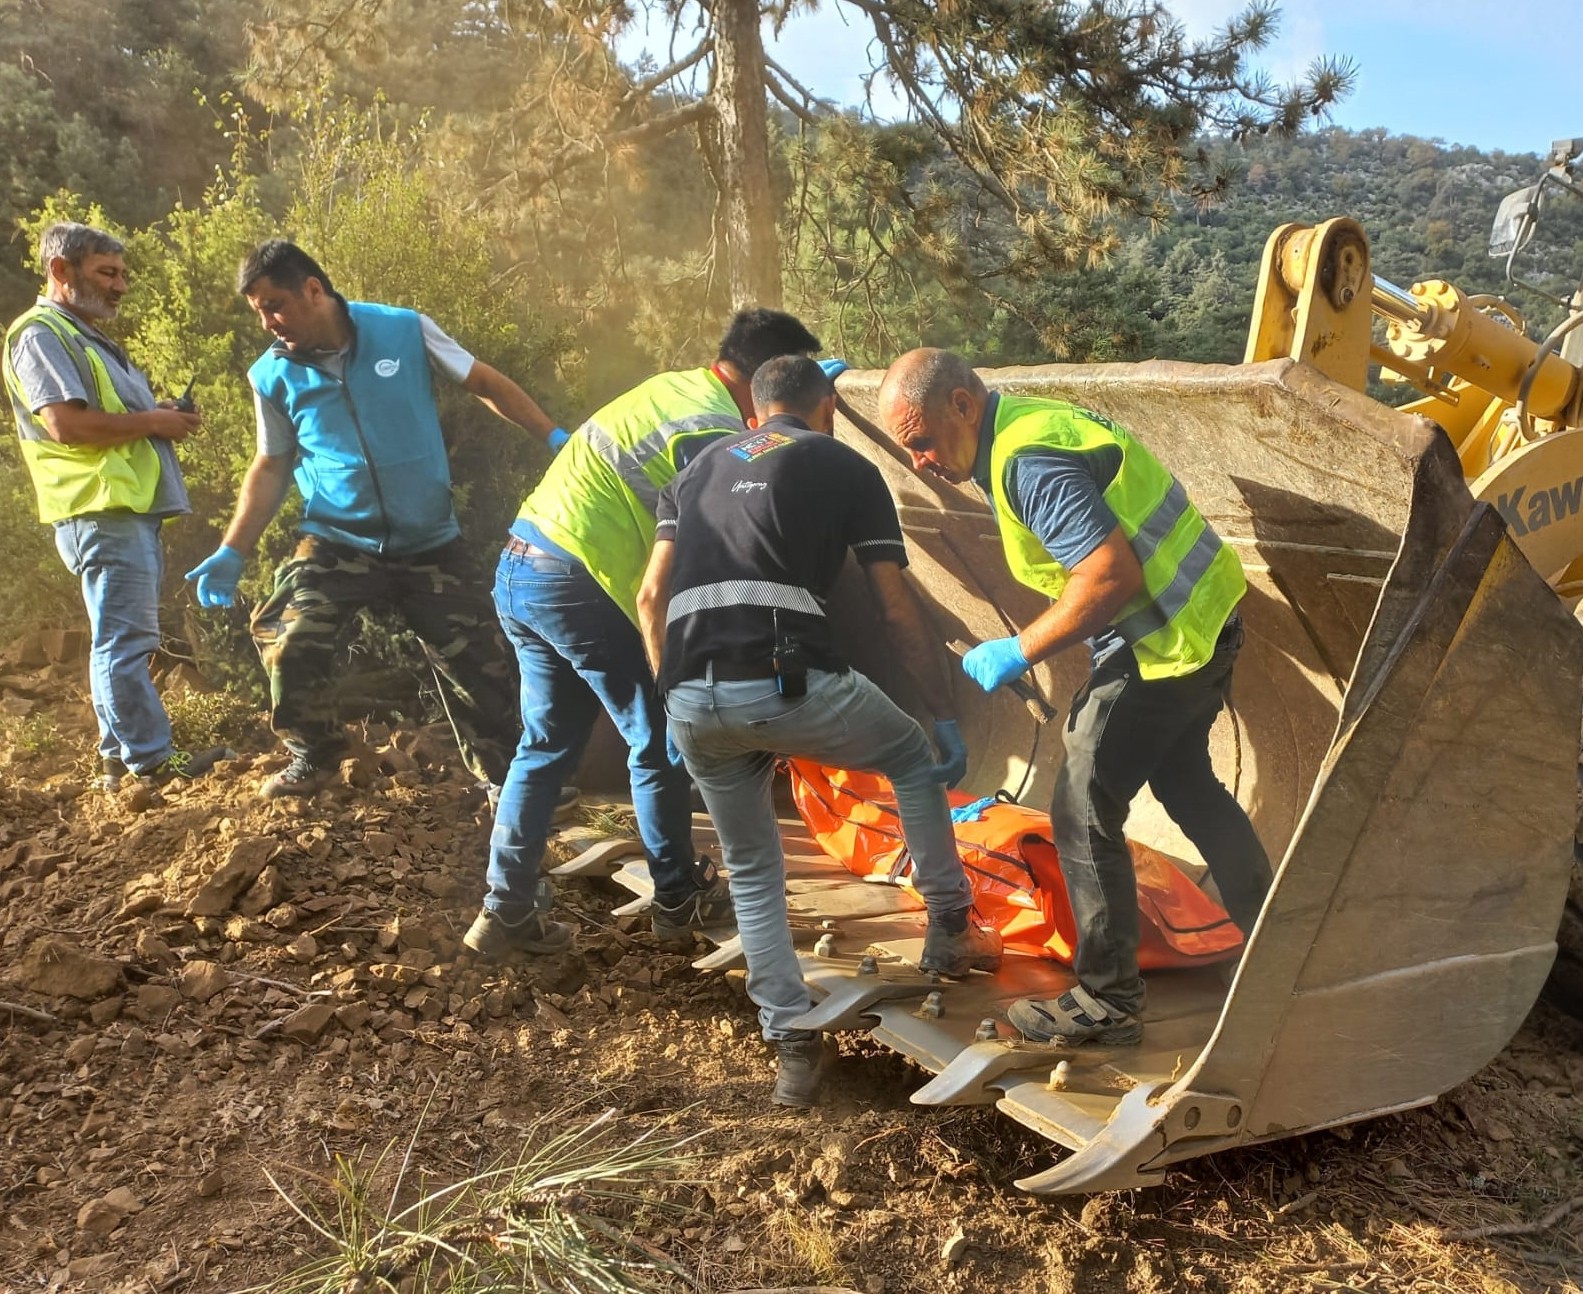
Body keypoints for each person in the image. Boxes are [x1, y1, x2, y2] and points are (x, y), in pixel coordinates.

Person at [877, 348, 1272, 1046]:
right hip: (1206, 619)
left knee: (1082, 805)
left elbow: (1106, 577)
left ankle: (1107, 1002)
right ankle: (1274, 949)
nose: (920, 462)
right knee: (1188, 786)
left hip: (1162, 643)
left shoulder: (1027, 462)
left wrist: (1018, 649)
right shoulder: (1032, 424)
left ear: (962, 406)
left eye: (924, 441)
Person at [640, 354, 1000, 1107]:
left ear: (754, 413)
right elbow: (895, 608)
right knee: (908, 755)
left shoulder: (698, 468)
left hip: (693, 699)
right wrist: (938, 714)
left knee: (752, 867)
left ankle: (791, 1046)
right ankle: (947, 929)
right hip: (786, 682)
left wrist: (674, 700)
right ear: (826, 405)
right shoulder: (842, 465)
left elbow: (650, 597)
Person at [465, 309, 823, 959]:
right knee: (657, 738)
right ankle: (678, 894)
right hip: (579, 582)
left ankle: (504, 910)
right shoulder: (712, 430)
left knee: (546, 745)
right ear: (766, 381)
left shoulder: (670, 389)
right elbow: (719, 556)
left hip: (521, 568)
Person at [185, 240, 565, 799]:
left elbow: (482, 381)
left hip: (429, 541)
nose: (269, 323)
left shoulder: (403, 329)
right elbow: (271, 465)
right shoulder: (272, 375)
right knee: (287, 636)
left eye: (276, 305)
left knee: (483, 666)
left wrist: (554, 437)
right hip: (338, 539)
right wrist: (233, 549)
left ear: (314, 289)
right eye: (259, 312)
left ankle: (512, 781)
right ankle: (314, 756)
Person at [3, 223, 223, 790]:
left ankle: (115, 758)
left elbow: (105, 421)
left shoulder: (83, 334)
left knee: (116, 639)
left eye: (122, 273)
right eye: (107, 272)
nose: (121, 285)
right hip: (100, 510)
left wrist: (161, 414)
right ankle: (151, 760)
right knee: (126, 643)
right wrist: (154, 420)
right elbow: (66, 425)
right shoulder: (41, 333)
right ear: (60, 271)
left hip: (121, 510)